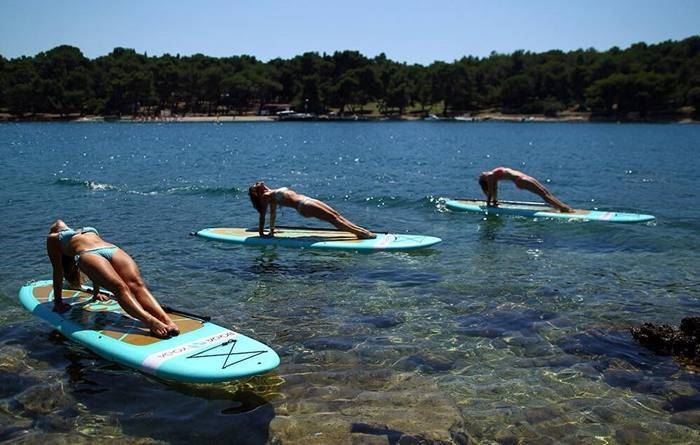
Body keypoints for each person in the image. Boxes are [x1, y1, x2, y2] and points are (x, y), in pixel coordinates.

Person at [46, 219, 179, 339]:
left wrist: (95, 292)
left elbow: (65, 272)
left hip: (106, 250)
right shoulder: (53, 238)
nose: (59, 222)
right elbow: (59, 271)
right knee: (121, 287)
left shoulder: (68, 235)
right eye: (57, 225)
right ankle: (151, 321)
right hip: (94, 252)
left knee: (136, 285)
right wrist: (58, 301)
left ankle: (166, 320)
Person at [248, 181, 376, 239]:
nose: (259, 182)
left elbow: (273, 215)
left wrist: (271, 230)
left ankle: (361, 231)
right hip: (304, 206)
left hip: (307, 200)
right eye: (256, 184)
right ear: (257, 192)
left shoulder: (270, 193)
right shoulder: (266, 197)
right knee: (334, 220)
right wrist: (261, 233)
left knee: (336, 215)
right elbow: (264, 215)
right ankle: (361, 233)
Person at [478, 167, 573, 212]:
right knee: (544, 195)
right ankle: (563, 208)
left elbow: (494, 190)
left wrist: (494, 201)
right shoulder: (490, 177)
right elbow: (491, 191)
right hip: (520, 180)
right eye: (481, 176)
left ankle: (562, 207)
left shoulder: (492, 175)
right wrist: (489, 203)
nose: (481, 173)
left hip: (524, 177)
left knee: (546, 192)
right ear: (484, 180)